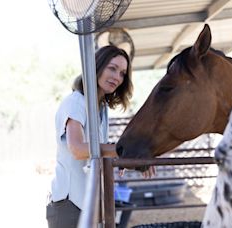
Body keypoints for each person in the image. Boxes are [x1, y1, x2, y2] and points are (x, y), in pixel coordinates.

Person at [46, 45, 155, 228]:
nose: (117, 77)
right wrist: (121, 151)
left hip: (88, 201)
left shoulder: (101, 108)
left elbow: (101, 150)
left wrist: (128, 158)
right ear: (97, 66)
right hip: (69, 205)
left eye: (122, 73)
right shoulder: (76, 102)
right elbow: (78, 149)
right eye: (112, 68)